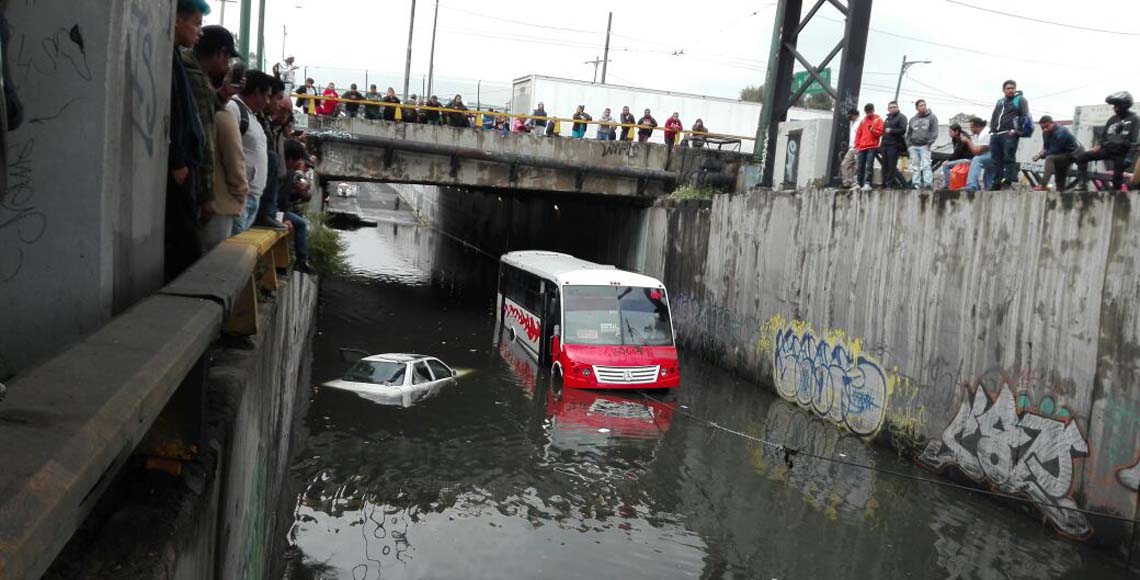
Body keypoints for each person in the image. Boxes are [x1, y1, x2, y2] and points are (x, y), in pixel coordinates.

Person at [185, 25, 241, 251]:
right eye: (227, 57)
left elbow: (206, 108)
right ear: (220, 53)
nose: (227, 66)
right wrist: (208, 196)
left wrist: (223, 95)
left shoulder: (192, 73)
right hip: (196, 186)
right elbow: (205, 139)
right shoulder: (194, 77)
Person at [166, 0, 209, 282]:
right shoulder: (171, 62)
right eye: (196, 23)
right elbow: (174, 112)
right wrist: (178, 160)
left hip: (186, 168)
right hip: (181, 170)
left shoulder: (175, 59)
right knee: (185, 247)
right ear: (177, 19)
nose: (199, 32)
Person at [227, 70, 272, 234]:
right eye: (266, 95)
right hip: (240, 197)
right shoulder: (233, 108)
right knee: (232, 250)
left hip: (252, 196)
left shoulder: (252, 117)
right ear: (256, 92)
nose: (267, 101)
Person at [1075, 91, 1139, 192]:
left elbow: (1134, 140)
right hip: (1107, 149)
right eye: (1114, 106)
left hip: (1121, 153)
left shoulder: (1134, 118)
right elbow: (1104, 136)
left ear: (1124, 105)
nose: (1115, 108)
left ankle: (1116, 195)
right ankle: (1082, 183)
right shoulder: (1112, 119)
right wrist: (1099, 145)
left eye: (1117, 105)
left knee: (1116, 180)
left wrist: (1129, 157)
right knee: (1082, 157)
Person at [989, 80, 1030, 190]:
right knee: (995, 160)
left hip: (1009, 134)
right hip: (996, 134)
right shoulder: (1000, 102)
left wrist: (1016, 131)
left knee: (1008, 157)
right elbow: (994, 116)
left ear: (1015, 89)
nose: (1010, 90)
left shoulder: (1020, 100)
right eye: (1008, 88)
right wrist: (992, 131)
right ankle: (997, 182)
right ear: (1003, 90)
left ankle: (1008, 180)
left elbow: (1025, 117)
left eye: (1012, 88)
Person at [282, 139, 313, 273]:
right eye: (299, 161)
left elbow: (306, 194)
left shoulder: (291, 173)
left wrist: (305, 188)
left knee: (301, 223)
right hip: (278, 210)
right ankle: (300, 261)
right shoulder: (289, 172)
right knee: (301, 223)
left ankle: (299, 260)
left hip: (283, 210)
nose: (300, 164)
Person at [1033, 115, 1080, 191]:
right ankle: (1060, 190)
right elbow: (1046, 148)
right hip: (1060, 155)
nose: (1045, 129)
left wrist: (1043, 155)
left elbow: (1055, 150)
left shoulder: (1061, 132)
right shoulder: (1045, 133)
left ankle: (1043, 184)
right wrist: (1039, 154)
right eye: (1042, 128)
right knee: (1059, 180)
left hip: (1072, 154)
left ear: (1052, 123)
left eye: (1047, 126)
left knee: (1050, 158)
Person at [906, 99, 938, 190]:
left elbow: (934, 132)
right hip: (913, 146)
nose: (923, 106)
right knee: (915, 166)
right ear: (917, 108)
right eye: (921, 105)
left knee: (926, 165)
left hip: (925, 146)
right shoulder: (913, 119)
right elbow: (908, 133)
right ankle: (916, 184)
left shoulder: (932, 117)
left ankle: (928, 184)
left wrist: (929, 143)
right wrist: (909, 146)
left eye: (924, 105)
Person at [853, 103, 883, 191]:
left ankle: (867, 183)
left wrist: (873, 130)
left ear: (873, 110)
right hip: (862, 146)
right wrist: (856, 145)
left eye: (870, 112)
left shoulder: (878, 120)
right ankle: (859, 183)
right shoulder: (863, 121)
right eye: (867, 112)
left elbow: (880, 133)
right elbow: (858, 134)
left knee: (869, 165)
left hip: (872, 146)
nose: (868, 114)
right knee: (860, 166)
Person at [880, 101, 907, 188]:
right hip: (885, 144)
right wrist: (881, 145)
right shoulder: (887, 118)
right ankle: (884, 183)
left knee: (892, 165)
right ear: (888, 109)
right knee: (884, 165)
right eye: (891, 107)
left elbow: (903, 130)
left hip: (894, 144)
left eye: (894, 107)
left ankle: (889, 184)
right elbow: (884, 132)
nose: (893, 109)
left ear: (898, 107)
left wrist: (891, 130)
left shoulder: (901, 117)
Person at [963, 117, 993, 193]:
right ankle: (989, 188)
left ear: (978, 126)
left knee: (977, 160)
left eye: (972, 127)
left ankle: (971, 186)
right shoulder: (984, 131)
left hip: (995, 154)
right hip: (994, 154)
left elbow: (977, 152)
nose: (970, 129)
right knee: (989, 172)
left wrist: (968, 141)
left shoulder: (985, 133)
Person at [840, 108, 859, 188]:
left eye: (850, 116)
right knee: (844, 164)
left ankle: (855, 183)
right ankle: (847, 182)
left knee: (856, 166)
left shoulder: (860, 122)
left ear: (855, 115)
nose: (849, 117)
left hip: (858, 147)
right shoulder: (851, 122)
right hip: (851, 147)